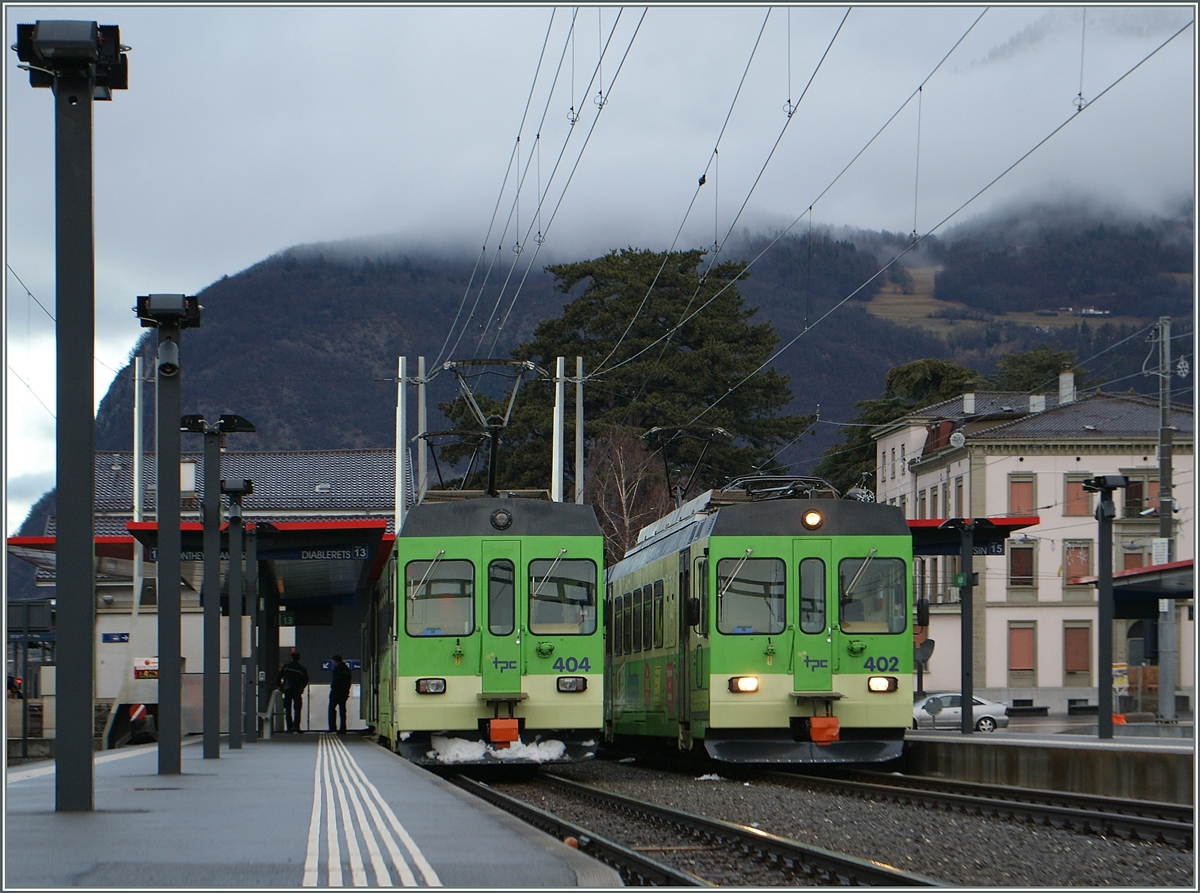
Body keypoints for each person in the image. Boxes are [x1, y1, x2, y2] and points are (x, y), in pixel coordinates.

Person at [277, 651, 309, 733]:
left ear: (291, 658)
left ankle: (289, 728)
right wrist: (302, 688)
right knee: (297, 709)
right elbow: (305, 680)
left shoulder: (286, 667)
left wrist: (280, 686)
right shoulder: (302, 669)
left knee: (288, 710)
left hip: (287, 690)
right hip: (297, 691)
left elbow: (279, 676)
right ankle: (296, 727)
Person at [328, 654, 353, 733]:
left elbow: (336, 681)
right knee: (342, 710)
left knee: (332, 709)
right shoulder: (347, 669)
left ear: (335, 661)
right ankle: (343, 728)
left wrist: (332, 688)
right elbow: (348, 682)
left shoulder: (337, 669)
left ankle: (332, 727)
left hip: (336, 692)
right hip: (344, 692)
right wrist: (347, 691)